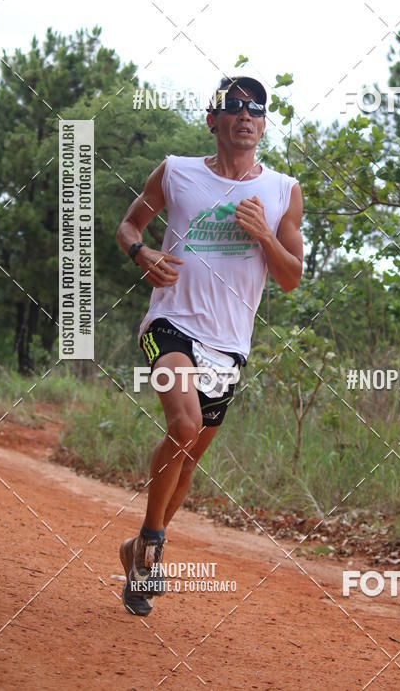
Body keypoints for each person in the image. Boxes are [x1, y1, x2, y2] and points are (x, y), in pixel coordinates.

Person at [115, 75, 303, 615]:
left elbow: (291, 278)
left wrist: (264, 235)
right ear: (212, 119)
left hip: (230, 344)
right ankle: (153, 551)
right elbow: (130, 225)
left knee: (188, 461)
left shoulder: (282, 191)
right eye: (235, 106)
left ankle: (137, 547)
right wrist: (141, 254)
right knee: (184, 426)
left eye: (256, 108)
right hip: (170, 322)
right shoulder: (176, 171)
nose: (246, 115)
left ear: (263, 125)